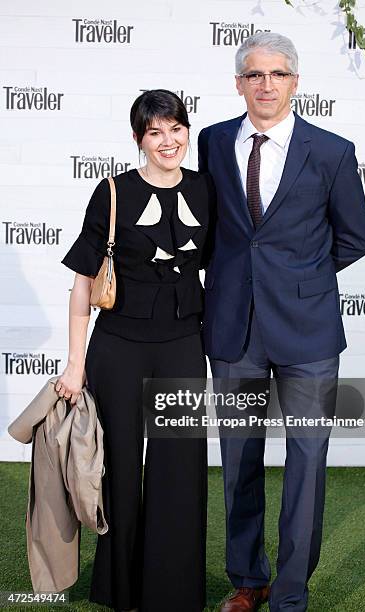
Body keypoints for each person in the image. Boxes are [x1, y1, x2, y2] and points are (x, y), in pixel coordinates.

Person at [198, 32, 365, 612]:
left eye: (276, 74)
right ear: (239, 83)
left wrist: (300, 280)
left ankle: (290, 593)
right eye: (254, 74)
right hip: (234, 330)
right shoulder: (213, 141)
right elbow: (213, 231)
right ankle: (249, 581)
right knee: (238, 462)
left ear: (295, 83)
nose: (265, 84)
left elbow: (355, 238)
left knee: (306, 465)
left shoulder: (331, 151)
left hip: (308, 334)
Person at [56, 89, 215, 612]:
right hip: (118, 347)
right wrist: (75, 364)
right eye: (155, 132)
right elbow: (83, 283)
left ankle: (172, 590)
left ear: (187, 131)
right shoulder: (113, 191)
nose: (168, 141)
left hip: (184, 343)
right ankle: (118, 588)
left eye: (175, 129)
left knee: (181, 468)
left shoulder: (207, 189)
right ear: (138, 139)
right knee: (118, 468)